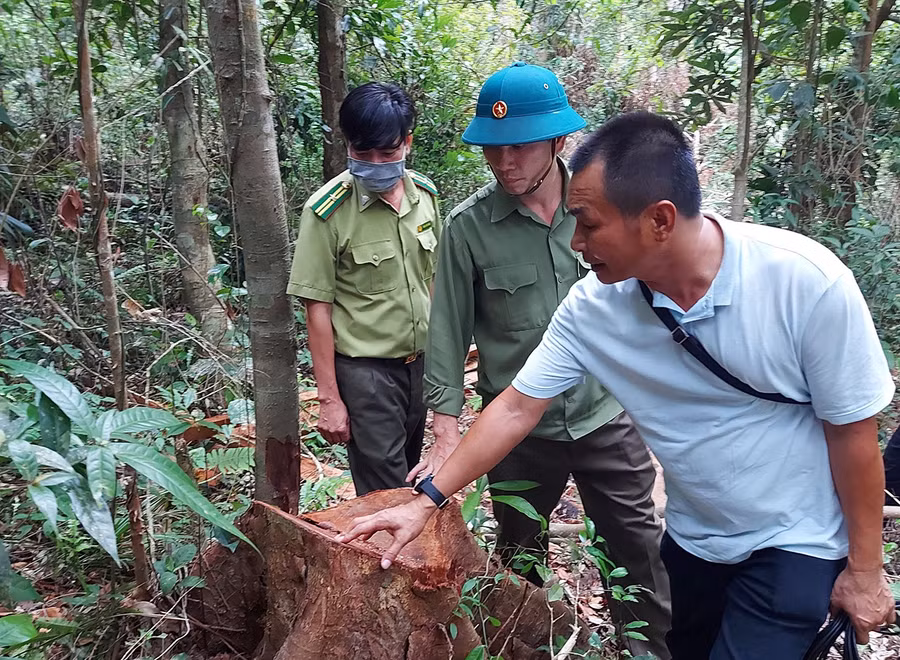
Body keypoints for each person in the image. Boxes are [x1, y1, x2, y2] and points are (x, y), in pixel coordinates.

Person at [338, 112, 897, 659]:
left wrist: (866, 571)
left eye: (589, 222)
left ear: (659, 220)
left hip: (793, 542)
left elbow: (853, 433)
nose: (576, 241)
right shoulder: (595, 307)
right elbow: (516, 407)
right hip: (695, 539)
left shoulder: (805, 283)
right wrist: (425, 502)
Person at [409, 62, 670, 658]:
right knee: (519, 556)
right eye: (493, 150)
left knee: (637, 551)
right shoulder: (469, 228)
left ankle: (651, 651)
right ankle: (528, 647)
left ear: (558, 141)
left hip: (606, 415)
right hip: (515, 428)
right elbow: (446, 330)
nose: (505, 163)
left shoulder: (605, 207)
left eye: (521, 147)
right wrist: (445, 433)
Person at [287, 82, 441, 496]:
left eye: (387, 153)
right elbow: (316, 308)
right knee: (384, 490)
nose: (375, 163)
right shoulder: (327, 212)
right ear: (348, 146)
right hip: (367, 373)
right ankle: (389, 558)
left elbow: (432, 281)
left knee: (409, 473)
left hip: (419, 366)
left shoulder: (424, 197)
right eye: (362, 153)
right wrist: (330, 400)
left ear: (407, 144)